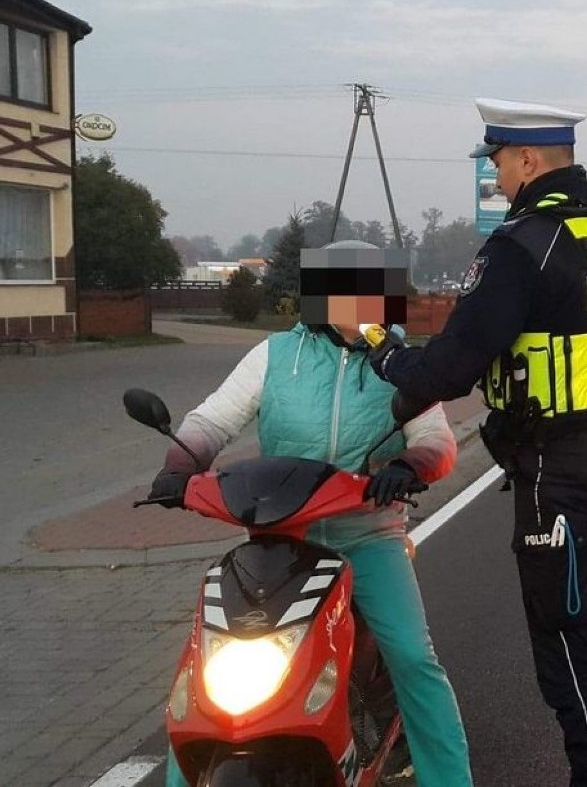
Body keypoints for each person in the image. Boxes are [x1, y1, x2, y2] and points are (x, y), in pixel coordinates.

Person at [368, 99, 587, 787]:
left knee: (572, 651)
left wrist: (386, 357)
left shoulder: (522, 244)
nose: (496, 176)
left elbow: (450, 368)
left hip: (559, 476)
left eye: (497, 161)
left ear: (528, 160)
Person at [154, 241, 473, 787]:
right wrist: (178, 465)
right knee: (203, 666)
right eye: (351, 294)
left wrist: (408, 462)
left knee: (413, 658)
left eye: (375, 295)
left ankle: (449, 778)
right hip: (279, 540)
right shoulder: (275, 356)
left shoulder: (400, 365)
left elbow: (437, 441)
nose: (365, 307)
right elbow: (211, 421)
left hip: (368, 536)